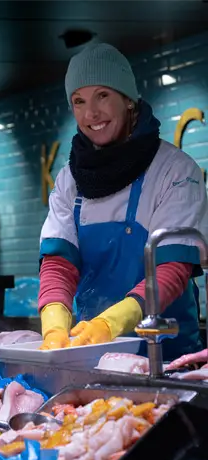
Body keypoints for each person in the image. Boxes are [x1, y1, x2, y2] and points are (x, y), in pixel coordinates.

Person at [38, 42, 208, 361]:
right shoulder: (69, 179)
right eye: (79, 101)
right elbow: (59, 264)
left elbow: (172, 268)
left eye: (103, 95)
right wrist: (54, 328)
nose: (91, 113)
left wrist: (110, 323)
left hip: (168, 359)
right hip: (92, 354)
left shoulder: (175, 171)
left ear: (128, 99)